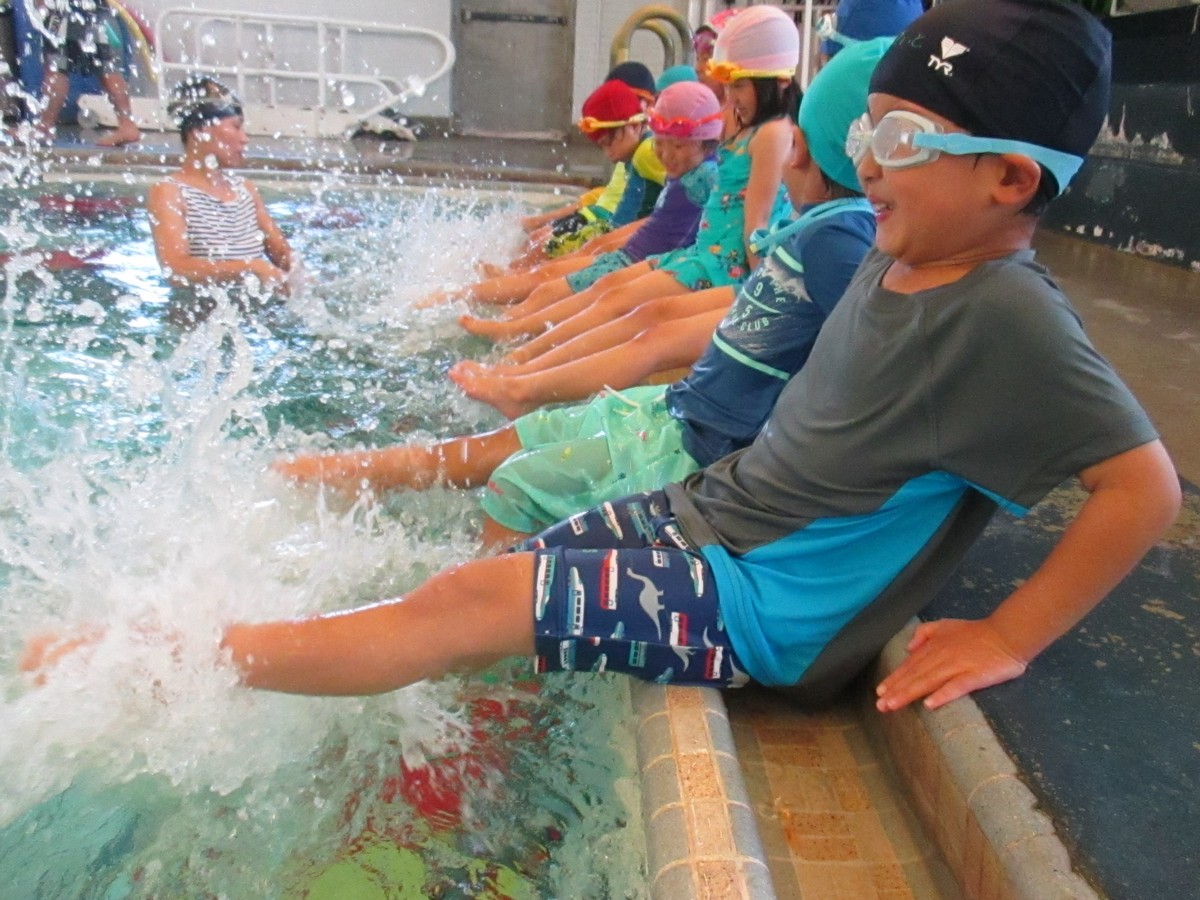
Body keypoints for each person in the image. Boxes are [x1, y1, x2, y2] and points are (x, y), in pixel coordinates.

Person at [26, 1, 1183, 716]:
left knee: (471, 598)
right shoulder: (898, 253)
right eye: (864, 130)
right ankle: (454, 733)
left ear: (1011, 177)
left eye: (899, 138)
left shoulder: (1008, 315)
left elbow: (1144, 488)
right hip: (711, 516)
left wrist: (1007, 636)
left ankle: (154, 663)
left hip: (761, 607)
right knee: (501, 567)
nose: (865, 160)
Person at [276, 38, 888, 549]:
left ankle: (488, 635)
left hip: (692, 442)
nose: (786, 156)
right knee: (507, 443)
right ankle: (324, 474)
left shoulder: (837, 238)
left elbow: (853, 373)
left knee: (514, 482)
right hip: (675, 410)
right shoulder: (822, 231)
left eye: (800, 145)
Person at [448, 5, 798, 397]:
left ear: (780, 81)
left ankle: (522, 378)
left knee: (643, 318)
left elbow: (757, 223)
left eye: (739, 86)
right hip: (703, 255)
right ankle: (520, 364)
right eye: (728, 85)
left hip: (727, 269)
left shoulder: (773, 133)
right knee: (613, 292)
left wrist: (757, 301)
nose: (731, 96)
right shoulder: (743, 121)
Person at [425, 81, 720, 310]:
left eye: (608, 143)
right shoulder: (655, 156)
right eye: (662, 145)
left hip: (621, 238)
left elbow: (668, 214)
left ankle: (498, 290)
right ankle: (507, 285)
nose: (666, 154)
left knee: (549, 268)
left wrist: (614, 239)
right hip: (624, 239)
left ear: (634, 125)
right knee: (547, 262)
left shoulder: (653, 155)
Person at [146, 76, 292, 292]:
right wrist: (251, 268)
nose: (245, 139)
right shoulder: (169, 192)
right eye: (236, 127)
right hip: (200, 311)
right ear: (200, 130)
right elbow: (176, 269)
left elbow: (282, 254)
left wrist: (305, 281)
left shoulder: (245, 189)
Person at [34, 0, 140, 145]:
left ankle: (45, 126)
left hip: (65, 11)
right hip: (99, 11)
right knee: (108, 68)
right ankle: (127, 123)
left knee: (56, 69)